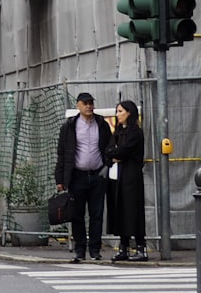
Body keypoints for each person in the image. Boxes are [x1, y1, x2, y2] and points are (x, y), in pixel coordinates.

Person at [55, 91, 112, 262]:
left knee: (97, 214)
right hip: (77, 176)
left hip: (97, 175)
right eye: (85, 103)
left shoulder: (101, 124)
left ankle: (95, 249)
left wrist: (106, 166)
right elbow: (62, 153)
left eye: (91, 103)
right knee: (77, 215)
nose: (89, 106)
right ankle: (80, 249)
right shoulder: (69, 126)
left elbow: (109, 146)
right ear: (78, 105)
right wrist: (60, 179)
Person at [106, 100, 147, 262]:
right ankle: (123, 247)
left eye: (121, 111)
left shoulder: (135, 132)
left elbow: (124, 150)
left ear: (129, 113)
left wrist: (115, 153)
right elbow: (108, 150)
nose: (118, 115)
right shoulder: (117, 131)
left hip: (131, 176)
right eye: (117, 111)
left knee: (133, 211)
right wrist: (113, 154)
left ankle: (140, 248)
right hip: (117, 176)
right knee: (120, 210)